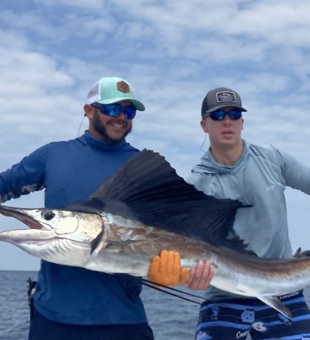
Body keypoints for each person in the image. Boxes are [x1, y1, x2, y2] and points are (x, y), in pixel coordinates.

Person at [0, 76, 212, 340]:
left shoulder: (140, 167)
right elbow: (4, 185)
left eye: (129, 111)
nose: (121, 117)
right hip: (54, 317)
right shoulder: (53, 155)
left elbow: (169, 234)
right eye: (112, 109)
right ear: (88, 111)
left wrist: (171, 274)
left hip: (124, 319)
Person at [186, 87, 310, 339]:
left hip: (285, 289)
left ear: (242, 122)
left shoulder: (273, 159)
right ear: (204, 125)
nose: (227, 120)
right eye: (218, 115)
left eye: (233, 113)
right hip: (224, 297)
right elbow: (190, 248)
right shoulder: (196, 184)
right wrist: (190, 276)